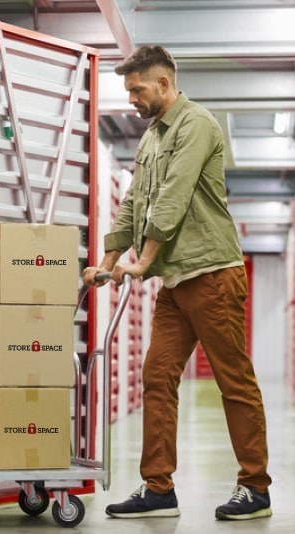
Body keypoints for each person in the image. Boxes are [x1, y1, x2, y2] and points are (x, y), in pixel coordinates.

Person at [82, 45, 272, 521]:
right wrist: (106, 262)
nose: (131, 99)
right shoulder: (149, 139)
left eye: (136, 89)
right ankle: (158, 488)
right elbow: (132, 207)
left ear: (164, 84)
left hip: (213, 275)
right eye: (127, 91)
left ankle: (255, 486)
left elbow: (173, 199)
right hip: (175, 284)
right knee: (157, 376)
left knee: (234, 381)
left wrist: (142, 262)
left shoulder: (198, 126)